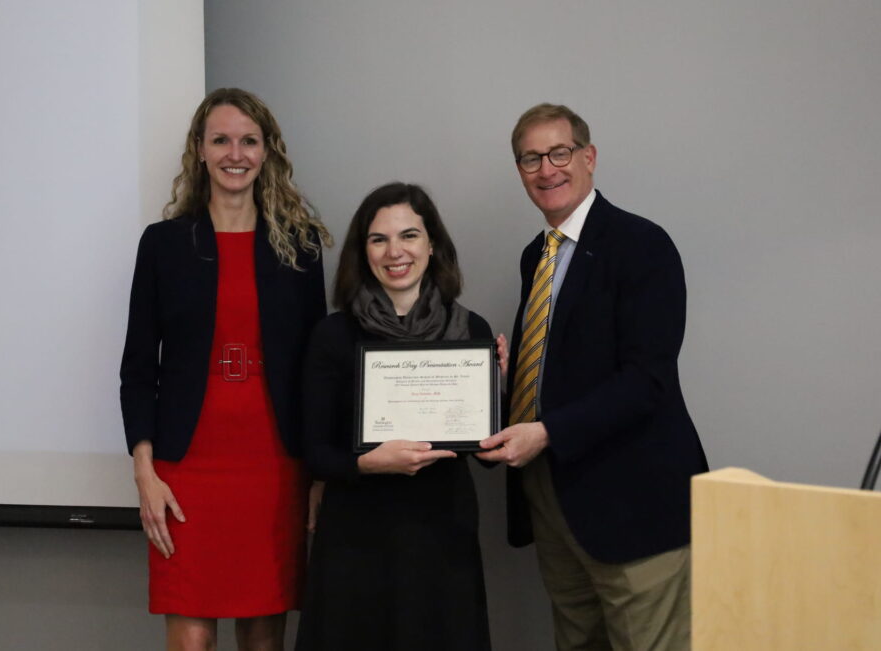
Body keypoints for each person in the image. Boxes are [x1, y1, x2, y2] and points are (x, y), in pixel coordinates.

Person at [477, 103, 708, 651]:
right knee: (577, 641)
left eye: (559, 153)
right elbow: (567, 362)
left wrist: (547, 431)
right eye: (530, 158)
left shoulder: (642, 245)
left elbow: (646, 380)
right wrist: (513, 381)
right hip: (555, 499)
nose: (547, 169)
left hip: (635, 505)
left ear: (589, 157)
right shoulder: (537, 254)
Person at [119, 87, 331, 650]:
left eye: (248, 141)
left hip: (275, 469)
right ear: (200, 150)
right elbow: (138, 368)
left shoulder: (300, 247)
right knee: (191, 641)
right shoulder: (164, 245)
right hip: (185, 471)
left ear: (267, 152)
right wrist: (144, 472)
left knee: (264, 642)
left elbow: (318, 369)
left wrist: (319, 476)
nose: (234, 153)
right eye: (221, 140)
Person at [296, 182, 494, 651]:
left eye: (408, 235)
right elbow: (315, 452)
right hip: (356, 539)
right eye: (378, 239)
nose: (394, 251)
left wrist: (496, 391)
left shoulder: (472, 331)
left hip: (442, 535)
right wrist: (367, 463)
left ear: (432, 245)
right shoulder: (333, 335)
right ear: (362, 251)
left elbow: (487, 456)